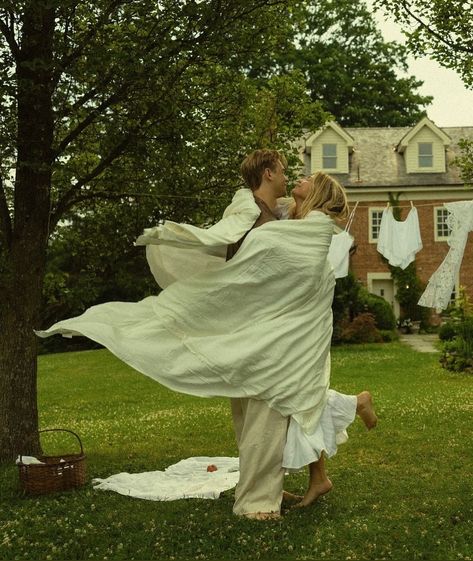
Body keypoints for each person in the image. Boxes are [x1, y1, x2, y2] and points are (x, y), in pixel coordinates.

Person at [36, 157, 375, 519]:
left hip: (286, 337)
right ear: (269, 174)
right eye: (289, 171)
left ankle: (259, 503)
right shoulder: (270, 214)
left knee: (276, 412)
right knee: (272, 411)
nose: (299, 176)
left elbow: (281, 266)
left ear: (317, 193)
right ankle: (322, 442)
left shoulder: (304, 230)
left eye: (309, 178)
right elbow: (243, 253)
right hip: (265, 333)